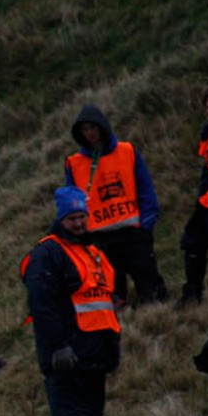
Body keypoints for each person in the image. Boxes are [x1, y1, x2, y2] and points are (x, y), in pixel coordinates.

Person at [22, 186, 121, 416]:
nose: (78, 223)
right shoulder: (48, 252)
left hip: (96, 355)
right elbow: (42, 304)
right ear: (60, 219)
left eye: (81, 217)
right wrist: (59, 346)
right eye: (71, 218)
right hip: (67, 358)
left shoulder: (92, 251)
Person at [65, 104, 164, 306]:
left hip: (133, 233)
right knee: (113, 298)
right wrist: (82, 236)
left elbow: (145, 191)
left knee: (152, 292)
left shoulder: (127, 151)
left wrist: (146, 226)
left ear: (102, 126)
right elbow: (72, 205)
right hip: (100, 238)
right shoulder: (74, 163)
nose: (90, 133)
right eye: (85, 129)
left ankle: (158, 315)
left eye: (93, 127)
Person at [178, 85, 208, 308]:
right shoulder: (207, 135)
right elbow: (207, 169)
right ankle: (192, 294)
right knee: (192, 241)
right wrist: (202, 196)